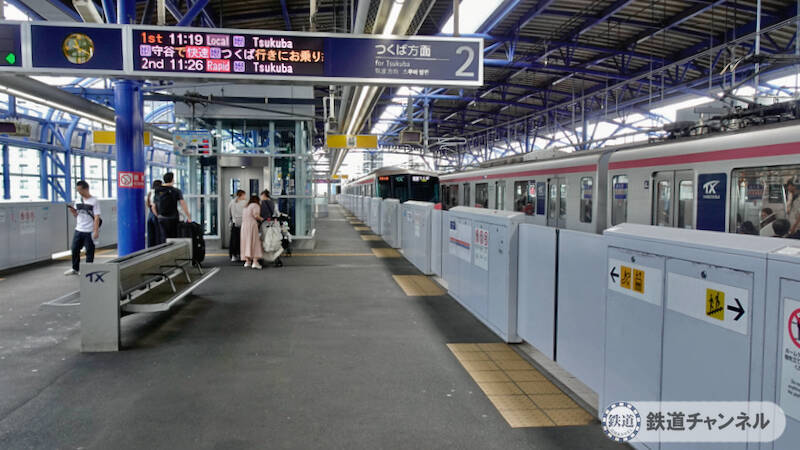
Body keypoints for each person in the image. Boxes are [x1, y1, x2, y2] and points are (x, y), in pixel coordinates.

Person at [65, 180, 101, 275]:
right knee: (75, 249)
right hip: (79, 229)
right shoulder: (78, 200)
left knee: (89, 251)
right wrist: (73, 212)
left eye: (80, 190)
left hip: (89, 231)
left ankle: (88, 270)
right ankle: (75, 268)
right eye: (77, 190)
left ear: (86, 189)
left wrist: (96, 230)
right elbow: (77, 215)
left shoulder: (94, 201)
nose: (79, 192)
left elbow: (97, 217)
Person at [153, 172, 191, 240]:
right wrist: (188, 216)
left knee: (163, 237)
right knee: (173, 237)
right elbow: (183, 204)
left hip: (162, 218)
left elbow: (153, 206)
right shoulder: (176, 191)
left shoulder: (157, 190)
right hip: (173, 218)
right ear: (173, 180)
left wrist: (158, 215)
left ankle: (165, 249)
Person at [241, 195, 263, 269]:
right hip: (251, 225)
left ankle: (247, 261)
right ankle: (255, 262)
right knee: (254, 242)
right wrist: (262, 219)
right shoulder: (255, 205)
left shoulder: (246, 206)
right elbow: (256, 215)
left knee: (246, 242)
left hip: (244, 226)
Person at [228, 189, 246, 262]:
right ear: (241, 195)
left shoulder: (232, 202)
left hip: (234, 223)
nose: (245, 196)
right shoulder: (245, 203)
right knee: (242, 240)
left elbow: (229, 213)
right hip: (243, 223)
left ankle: (233, 255)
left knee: (234, 240)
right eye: (244, 195)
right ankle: (241, 254)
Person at [145, 180, 163, 247]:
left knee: (151, 234)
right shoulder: (155, 193)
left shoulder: (150, 192)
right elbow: (153, 206)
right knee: (157, 234)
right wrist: (158, 216)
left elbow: (149, 204)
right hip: (155, 215)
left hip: (150, 216)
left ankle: (150, 248)